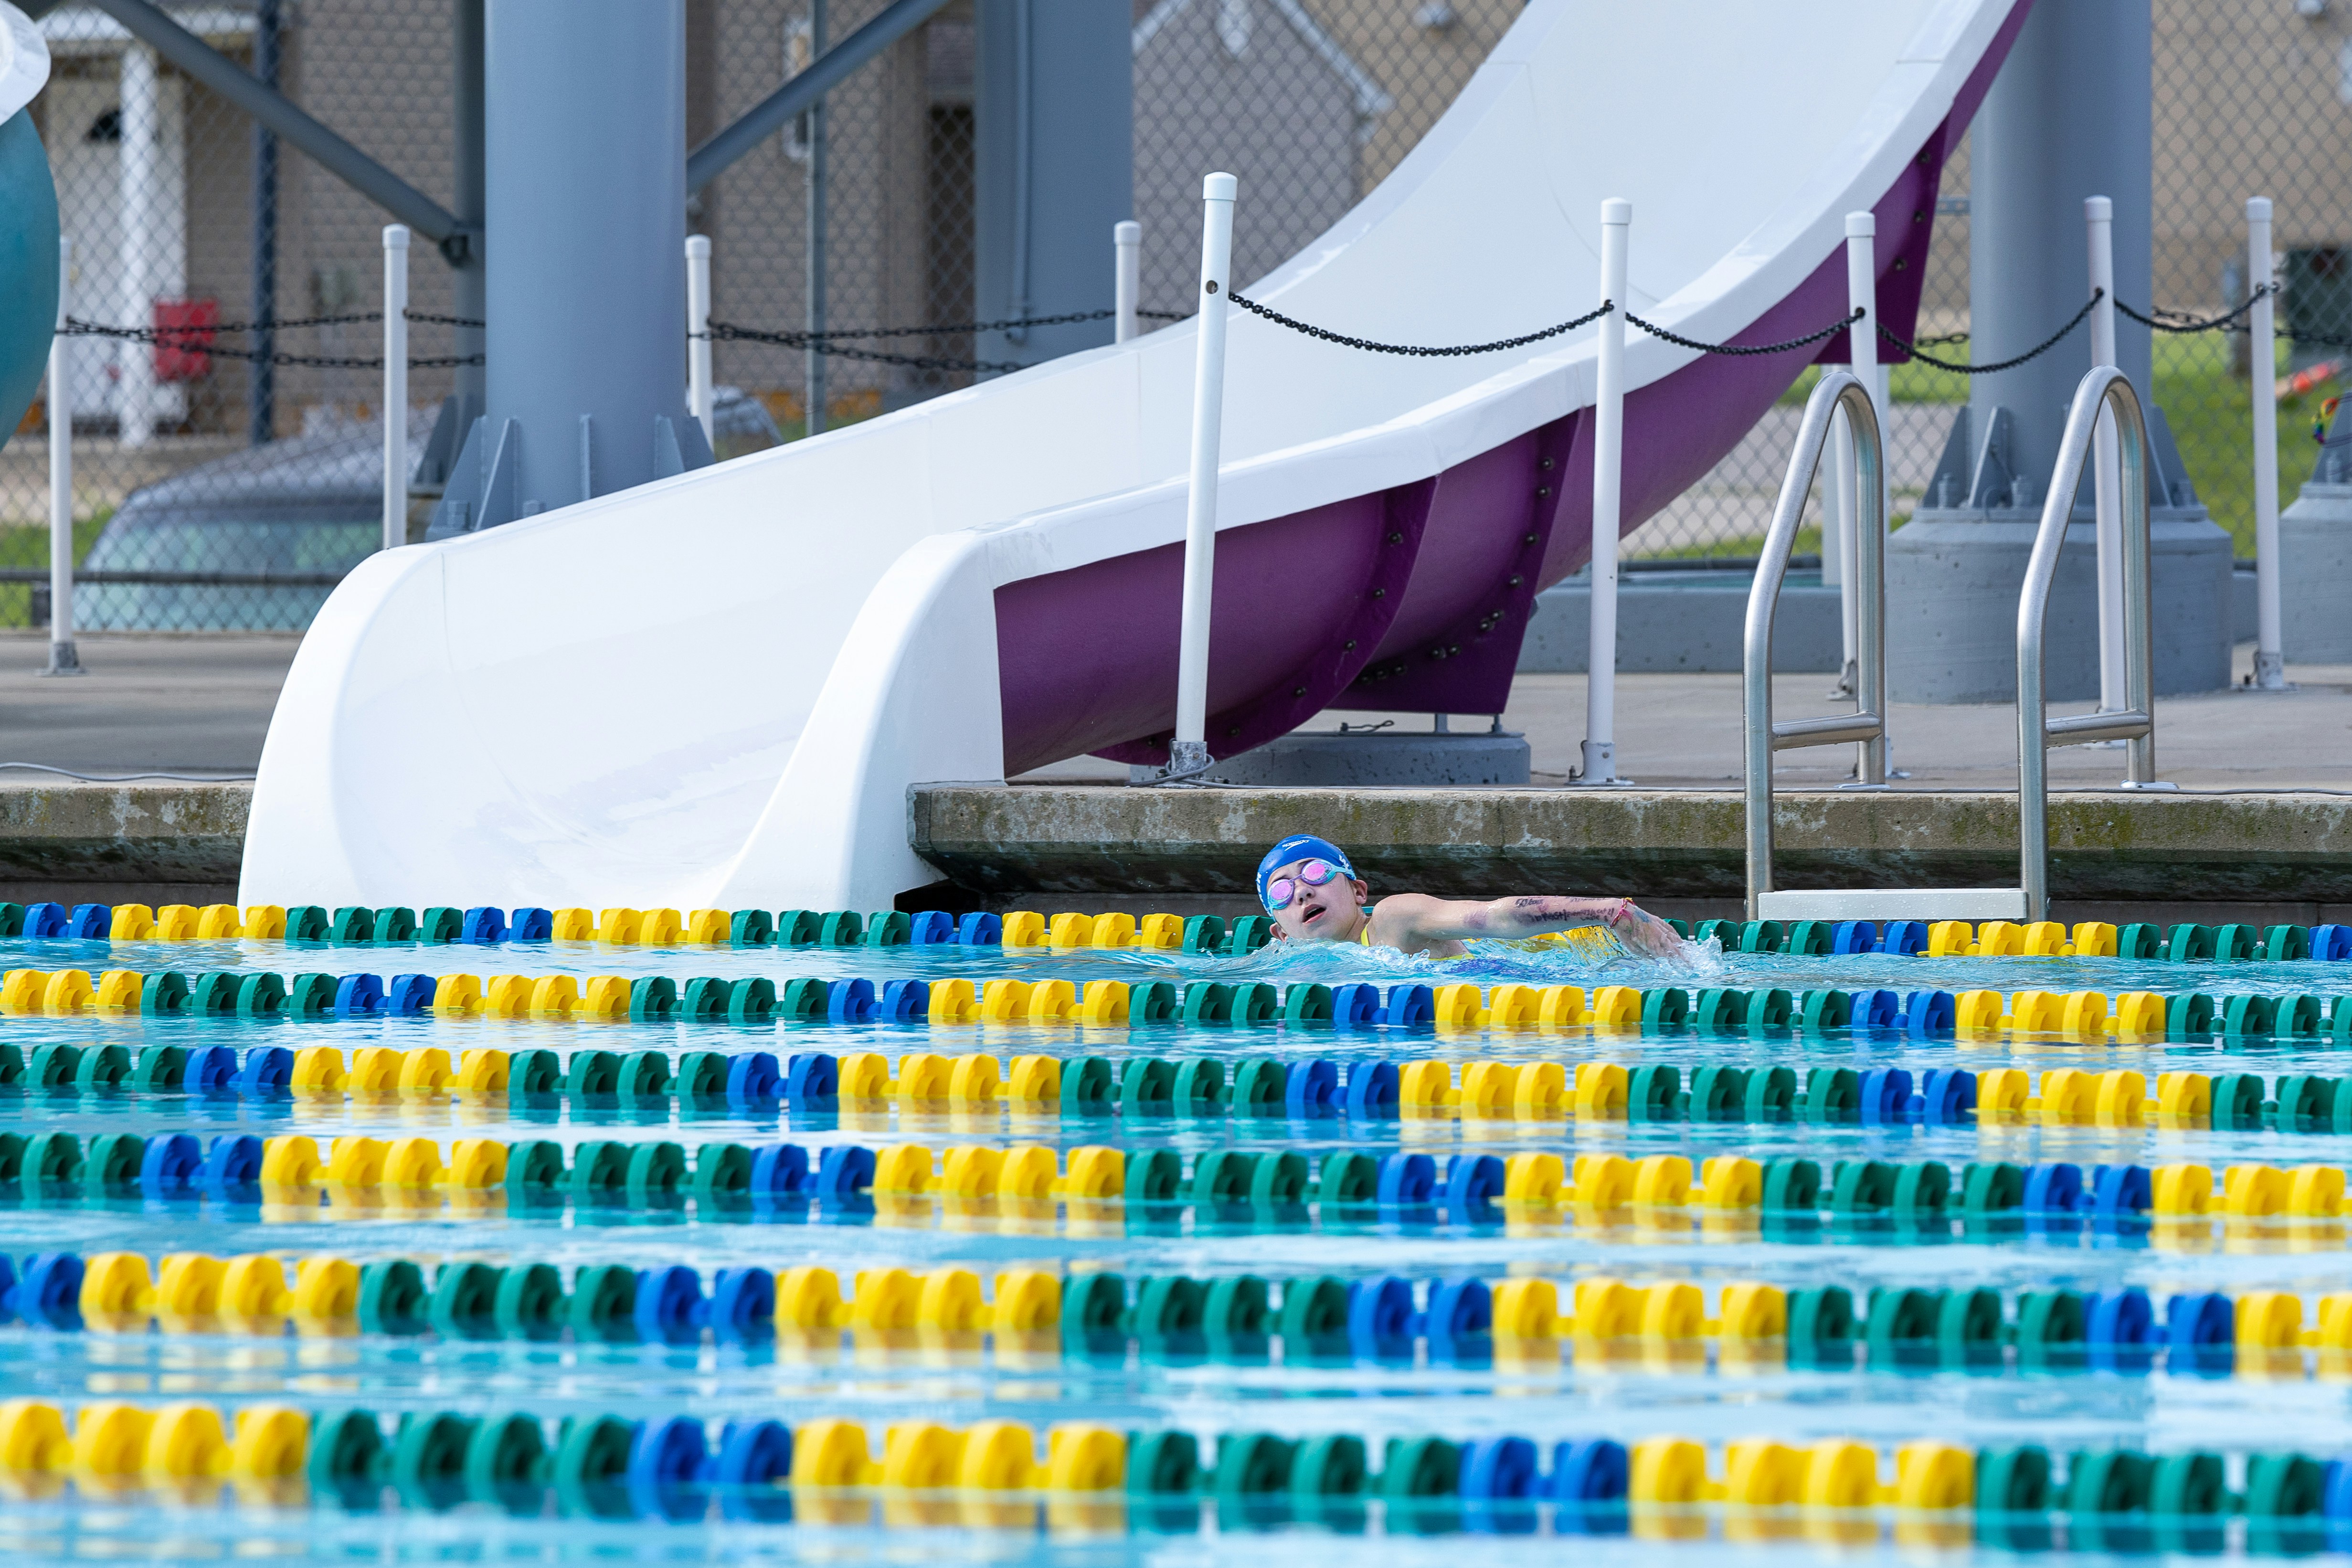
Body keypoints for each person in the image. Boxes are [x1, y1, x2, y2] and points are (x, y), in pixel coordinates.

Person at [1255, 833, 1685, 961]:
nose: (1302, 890)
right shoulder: (1294, 971)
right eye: (1282, 889)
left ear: (1358, 891)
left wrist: (1608, 911)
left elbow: (1493, 918)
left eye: (1315, 872)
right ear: (1281, 933)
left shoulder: (1393, 920)